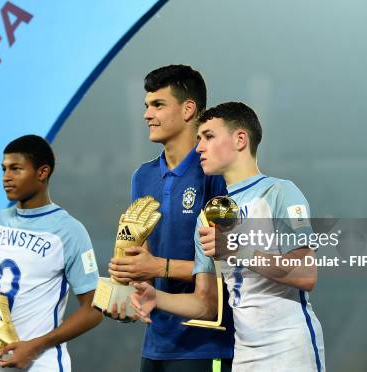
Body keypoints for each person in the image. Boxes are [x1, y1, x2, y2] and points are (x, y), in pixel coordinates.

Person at [131, 102, 326, 371]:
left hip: (289, 346)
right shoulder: (207, 215)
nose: (199, 147)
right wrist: (157, 298)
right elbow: (205, 304)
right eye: (198, 138)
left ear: (240, 139)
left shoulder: (280, 192)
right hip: (243, 353)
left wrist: (233, 247)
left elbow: (306, 274)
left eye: (209, 137)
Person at [108, 65, 234, 372]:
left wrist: (156, 266)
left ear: (189, 109)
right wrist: (127, 281)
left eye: (158, 105)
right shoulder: (143, 177)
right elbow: (147, 262)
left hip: (206, 344)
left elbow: (232, 262)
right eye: (146, 106)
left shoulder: (217, 173)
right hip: (156, 342)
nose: (147, 115)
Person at [0, 135, 102, 371]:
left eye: (16, 169)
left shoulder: (70, 231)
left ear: (42, 172)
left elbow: (93, 309)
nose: (6, 178)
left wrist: (34, 346)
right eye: (3, 169)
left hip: (41, 363)